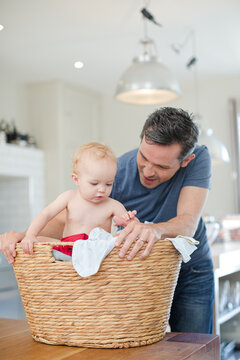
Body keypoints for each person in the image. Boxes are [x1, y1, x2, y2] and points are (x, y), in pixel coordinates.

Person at [0, 107, 214, 334]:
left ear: (185, 161)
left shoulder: (199, 157)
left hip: (193, 272)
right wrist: (24, 236)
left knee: (194, 346)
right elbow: (67, 217)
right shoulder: (113, 175)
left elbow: (188, 223)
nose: (148, 171)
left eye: (161, 166)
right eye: (143, 157)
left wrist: (154, 230)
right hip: (143, 272)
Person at [20, 142, 136, 256]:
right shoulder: (69, 197)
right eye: (94, 183)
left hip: (97, 251)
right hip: (68, 247)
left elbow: (134, 228)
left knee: (120, 242)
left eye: (108, 184)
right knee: (37, 240)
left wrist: (130, 220)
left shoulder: (113, 205)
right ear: (76, 179)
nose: (102, 189)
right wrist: (30, 234)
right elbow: (46, 214)